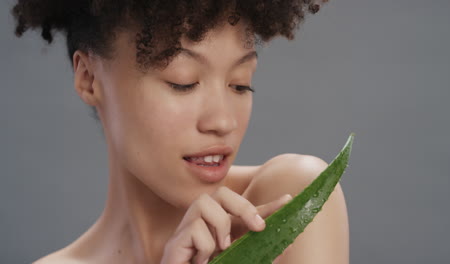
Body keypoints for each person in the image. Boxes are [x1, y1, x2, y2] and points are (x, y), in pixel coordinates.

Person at [11, 0, 348, 263]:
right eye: (183, 82)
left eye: (240, 85)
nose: (223, 121)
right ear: (89, 79)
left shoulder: (289, 198)